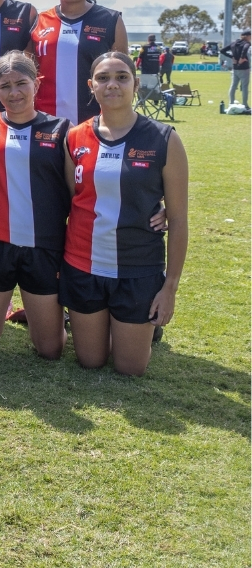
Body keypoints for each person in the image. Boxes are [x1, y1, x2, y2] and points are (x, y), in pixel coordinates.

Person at [62, 52, 188, 376]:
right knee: (90, 361)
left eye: (122, 77)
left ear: (135, 83)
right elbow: (72, 201)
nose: (112, 84)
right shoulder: (74, 137)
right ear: (91, 86)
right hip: (83, 265)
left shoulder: (164, 139)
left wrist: (169, 288)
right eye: (103, 78)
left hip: (137, 267)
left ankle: (146, 324)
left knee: (129, 368)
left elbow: (178, 220)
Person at [0, 52, 71, 357]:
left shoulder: (62, 130)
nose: (14, 92)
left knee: (51, 350)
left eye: (22, 83)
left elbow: (84, 187)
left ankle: (61, 317)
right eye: (5, 86)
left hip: (44, 248)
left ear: (37, 84)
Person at [30, 0, 129, 124]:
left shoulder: (111, 20)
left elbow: (123, 76)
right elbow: (27, 75)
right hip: (44, 123)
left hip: (95, 122)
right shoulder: (39, 21)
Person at [220, 29, 251, 105]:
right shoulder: (247, 43)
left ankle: (231, 103)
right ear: (247, 36)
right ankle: (245, 105)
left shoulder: (234, 43)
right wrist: (242, 58)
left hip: (235, 68)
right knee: (244, 87)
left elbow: (222, 50)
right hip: (244, 68)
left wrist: (231, 57)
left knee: (233, 86)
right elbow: (245, 48)